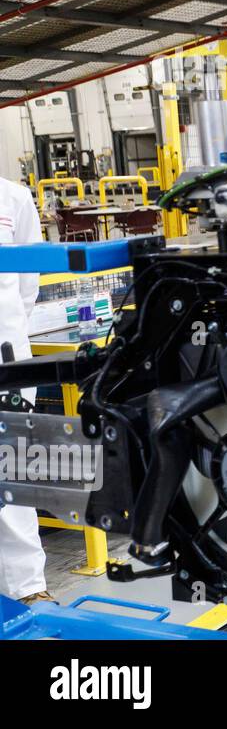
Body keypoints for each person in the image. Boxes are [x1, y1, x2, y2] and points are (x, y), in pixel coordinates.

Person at [0, 176, 51, 605]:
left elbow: (28, 283)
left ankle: (28, 587)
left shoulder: (13, 198)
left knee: (11, 473)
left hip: (6, 355)